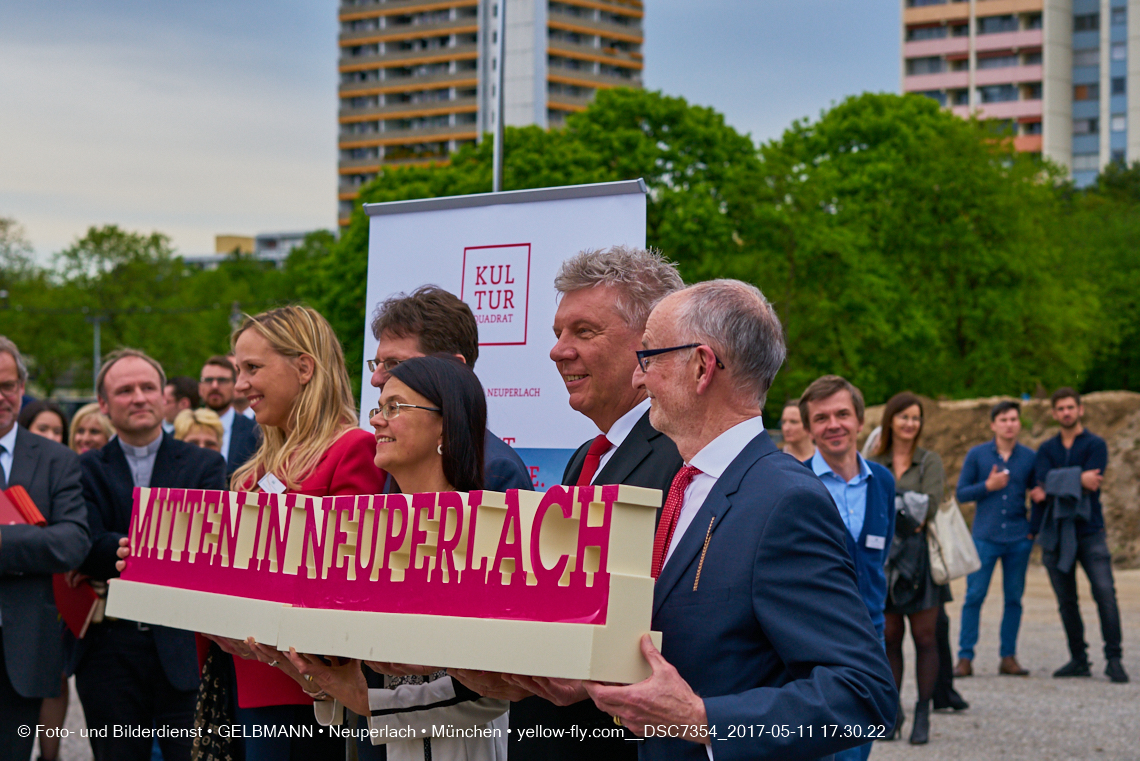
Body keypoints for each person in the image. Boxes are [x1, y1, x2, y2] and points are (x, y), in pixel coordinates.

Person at [560, 280, 895, 758]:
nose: (639, 378)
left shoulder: (784, 502)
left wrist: (702, 720)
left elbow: (863, 694)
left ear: (701, 366)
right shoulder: (683, 483)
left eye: (648, 358)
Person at [248, 355, 509, 761]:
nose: (375, 421)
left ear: (445, 423)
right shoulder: (369, 531)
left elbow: (494, 693)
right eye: (378, 407)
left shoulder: (485, 534)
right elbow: (358, 679)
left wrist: (367, 700)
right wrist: (309, 668)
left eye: (395, 407)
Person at [492, 246, 685, 760]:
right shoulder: (587, 457)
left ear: (649, 346)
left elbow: (679, 619)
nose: (558, 351)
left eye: (583, 331)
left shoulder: (682, 459)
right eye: (558, 333)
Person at [201, 305, 390, 761]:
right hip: (252, 680)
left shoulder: (352, 449)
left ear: (304, 367)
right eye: (236, 369)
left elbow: (350, 573)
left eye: (252, 368)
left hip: (313, 690)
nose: (239, 384)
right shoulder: (250, 473)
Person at [73, 348, 227, 761]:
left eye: (147, 387)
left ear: (165, 398)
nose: (139, 397)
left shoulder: (206, 465)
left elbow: (209, 544)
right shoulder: (82, 469)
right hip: (109, 652)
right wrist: (159, 546)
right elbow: (83, 544)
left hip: (183, 645)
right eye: (125, 390)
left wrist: (123, 548)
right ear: (104, 405)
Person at [0, 337, 90, 761]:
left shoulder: (57, 460)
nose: (1, 396)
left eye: (8, 384)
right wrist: (31, 545)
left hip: (22, 650)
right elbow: (49, 542)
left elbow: (72, 542)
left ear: (22, 387)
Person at [800, 375, 896, 761]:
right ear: (809, 430)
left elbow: (879, 552)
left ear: (859, 420)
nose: (833, 424)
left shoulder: (884, 482)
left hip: (871, 633)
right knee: (821, 744)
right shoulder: (794, 483)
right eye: (821, 418)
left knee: (860, 740)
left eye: (842, 413)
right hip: (814, 635)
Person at [368, 285, 532, 492]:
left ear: (454, 369)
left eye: (395, 364)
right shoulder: (401, 461)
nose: (375, 379)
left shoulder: (496, 470)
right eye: (378, 364)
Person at [869, 392, 953, 744]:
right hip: (885, 561)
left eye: (916, 417)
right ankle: (892, 713)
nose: (910, 423)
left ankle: (923, 714)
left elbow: (928, 508)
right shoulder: (876, 460)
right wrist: (904, 508)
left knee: (925, 638)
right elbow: (875, 503)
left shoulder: (929, 461)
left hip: (919, 560)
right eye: (903, 416)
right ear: (890, 420)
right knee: (889, 638)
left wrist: (894, 507)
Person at [1030, 388, 1128, 683]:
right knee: (1066, 600)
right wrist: (1075, 480)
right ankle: (1078, 658)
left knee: (1105, 594)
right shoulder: (1047, 449)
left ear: (1080, 409)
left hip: (1090, 531)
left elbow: (1091, 482)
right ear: (1054, 413)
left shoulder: (1096, 444)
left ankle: (1114, 658)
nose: (1066, 413)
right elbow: (1042, 482)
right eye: (1060, 408)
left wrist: (1054, 485)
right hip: (1056, 533)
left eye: (1070, 407)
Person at [954, 400, 1036, 678]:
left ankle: (1008, 657)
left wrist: (1032, 530)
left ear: (1019, 423)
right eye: (1003, 419)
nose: (1009, 424)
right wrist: (987, 486)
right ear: (993, 425)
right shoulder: (977, 455)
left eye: (1014, 419)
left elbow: (1038, 494)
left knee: (1014, 599)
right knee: (974, 597)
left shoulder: (1029, 457)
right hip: (985, 536)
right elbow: (961, 493)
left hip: (1018, 538)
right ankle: (965, 658)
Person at [199, 354, 259, 477]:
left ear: (234, 386)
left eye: (222, 380)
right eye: (208, 380)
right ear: (200, 388)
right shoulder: (180, 431)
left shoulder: (256, 434)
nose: (214, 386)